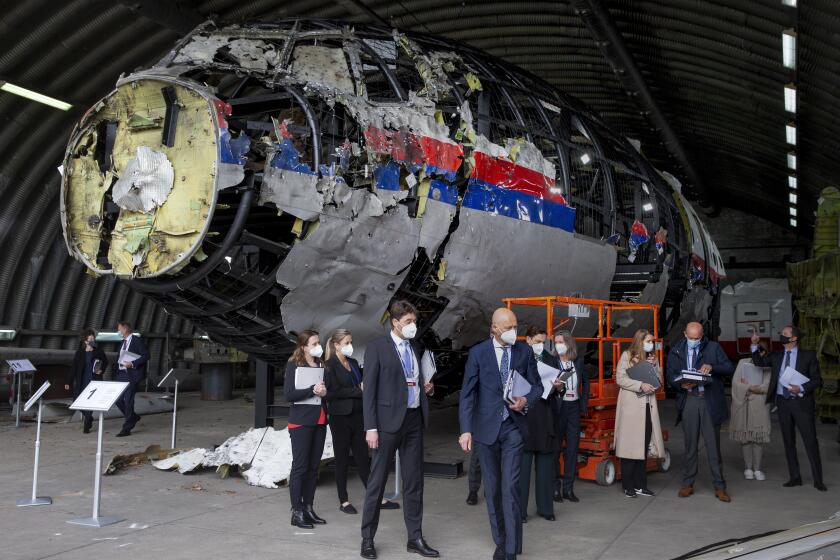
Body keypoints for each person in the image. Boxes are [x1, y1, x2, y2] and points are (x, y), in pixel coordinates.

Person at [459, 308, 542, 560]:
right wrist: (466, 430)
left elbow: (538, 386)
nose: (512, 332)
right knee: (493, 489)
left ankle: (511, 549)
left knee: (510, 487)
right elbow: (467, 394)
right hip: (486, 431)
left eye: (515, 326)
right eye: (507, 328)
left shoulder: (524, 352)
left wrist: (525, 399)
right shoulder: (478, 353)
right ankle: (501, 540)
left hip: (513, 427)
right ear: (494, 328)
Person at [360, 300, 437, 560]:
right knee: (377, 482)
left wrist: (426, 388)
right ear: (395, 323)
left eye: (414, 322)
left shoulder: (415, 347)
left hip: (413, 420)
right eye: (408, 322)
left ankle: (415, 537)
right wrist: (370, 427)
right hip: (386, 423)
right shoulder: (377, 348)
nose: (413, 326)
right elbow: (369, 391)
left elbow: (413, 379)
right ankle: (367, 538)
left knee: (414, 482)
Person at [323, 329, 399, 515]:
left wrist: (362, 389)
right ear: (336, 345)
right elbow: (331, 393)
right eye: (347, 342)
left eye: (351, 342)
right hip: (340, 417)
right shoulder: (329, 366)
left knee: (363, 458)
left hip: (359, 415)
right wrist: (358, 391)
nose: (350, 346)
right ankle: (344, 500)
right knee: (341, 459)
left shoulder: (354, 363)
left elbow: (364, 384)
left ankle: (375, 496)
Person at [750, 326, 825, 491]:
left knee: (810, 441)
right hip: (783, 404)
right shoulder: (777, 355)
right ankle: (795, 477)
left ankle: (818, 480)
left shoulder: (808, 356)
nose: (781, 336)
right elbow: (759, 362)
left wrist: (801, 388)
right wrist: (754, 345)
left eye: (785, 334)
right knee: (788, 442)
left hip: (801, 404)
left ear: (794, 339)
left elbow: (817, 380)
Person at [666, 321, 734, 502]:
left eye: (698, 338)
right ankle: (688, 483)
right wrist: (680, 385)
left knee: (713, 447)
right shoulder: (676, 350)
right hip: (689, 400)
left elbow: (729, 368)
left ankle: (720, 486)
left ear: (702, 335)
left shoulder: (713, 348)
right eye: (691, 338)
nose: (694, 341)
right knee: (690, 446)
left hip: (709, 401)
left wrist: (712, 367)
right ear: (685, 334)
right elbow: (670, 376)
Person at [285, 330, 328, 529]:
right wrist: (311, 389)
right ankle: (297, 510)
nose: (318, 346)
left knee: (313, 468)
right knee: (300, 467)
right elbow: (289, 394)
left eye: (318, 342)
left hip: (319, 420)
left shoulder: (321, 364)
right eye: (314, 343)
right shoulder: (294, 365)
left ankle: (309, 507)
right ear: (303, 346)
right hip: (301, 422)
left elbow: (327, 392)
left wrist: (325, 392)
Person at [614, 330, 665, 498]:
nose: (651, 344)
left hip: (648, 406)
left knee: (643, 447)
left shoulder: (653, 358)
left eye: (652, 341)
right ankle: (628, 486)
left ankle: (641, 485)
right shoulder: (627, 356)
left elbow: (659, 382)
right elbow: (620, 379)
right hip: (632, 408)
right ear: (640, 341)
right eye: (649, 341)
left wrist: (655, 367)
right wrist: (640, 384)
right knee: (629, 447)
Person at [545, 330, 589, 503]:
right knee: (555, 450)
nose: (558, 345)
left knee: (572, 449)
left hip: (573, 408)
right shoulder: (552, 362)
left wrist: (583, 402)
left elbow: (586, 382)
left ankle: (568, 489)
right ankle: (555, 488)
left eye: (561, 341)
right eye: (556, 342)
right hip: (558, 408)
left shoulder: (578, 362)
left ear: (569, 343)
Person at [517, 326, 555, 522]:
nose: (541, 345)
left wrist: (558, 387)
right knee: (522, 469)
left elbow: (557, 389)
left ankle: (546, 509)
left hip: (544, 415)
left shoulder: (550, 359)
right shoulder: (519, 356)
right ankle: (520, 511)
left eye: (543, 342)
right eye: (538, 341)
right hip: (525, 414)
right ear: (529, 340)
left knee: (545, 468)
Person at [729, 351, 771, 481]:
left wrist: (748, 387)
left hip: (760, 405)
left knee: (758, 437)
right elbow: (736, 383)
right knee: (745, 437)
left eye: (761, 352)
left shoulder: (768, 366)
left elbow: (767, 385)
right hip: (744, 403)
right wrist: (751, 388)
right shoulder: (743, 363)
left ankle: (757, 469)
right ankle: (748, 468)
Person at [67, 329, 108, 433]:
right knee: (76, 400)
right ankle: (88, 417)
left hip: (94, 380)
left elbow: (105, 361)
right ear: (85, 341)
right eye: (90, 339)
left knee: (91, 401)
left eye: (93, 339)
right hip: (82, 379)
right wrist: (68, 382)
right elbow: (74, 367)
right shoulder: (80, 352)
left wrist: (101, 370)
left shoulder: (99, 351)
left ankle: (87, 422)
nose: (92, 341)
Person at [114, 321, 149, 437]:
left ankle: (127, 428)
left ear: (125, 329)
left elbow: (146, 355)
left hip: (132, 374)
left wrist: (133, 363)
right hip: (121, 374)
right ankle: (133, 417)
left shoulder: (137, 341)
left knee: (128, 400)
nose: (118, 331)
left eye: (119, 329)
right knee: (117, 399)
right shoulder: (122, 342)